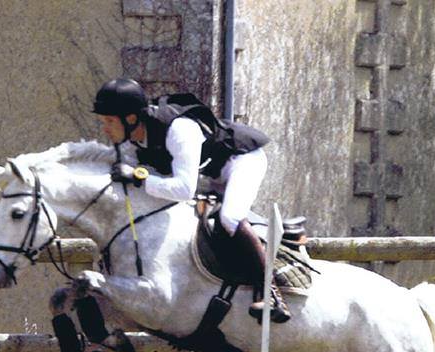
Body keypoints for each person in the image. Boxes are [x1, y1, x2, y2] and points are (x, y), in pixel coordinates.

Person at [92, 77, 290, 323]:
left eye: (109, 121)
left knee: (230, 218)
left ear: (131, 118)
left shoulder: (179, 130)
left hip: (242, 161)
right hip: (212, 174)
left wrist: (138, 178)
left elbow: (184, 189)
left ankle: (270, 293)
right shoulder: (134, 139)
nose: (105, 129)